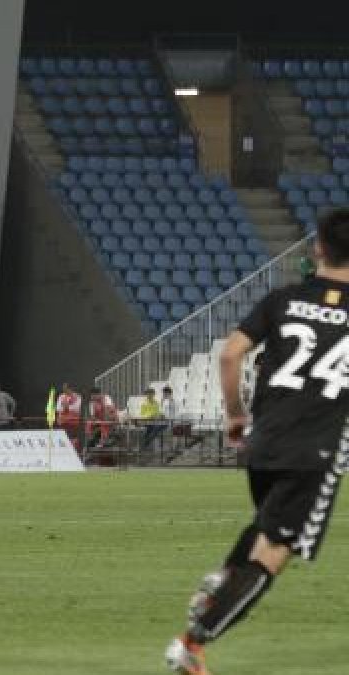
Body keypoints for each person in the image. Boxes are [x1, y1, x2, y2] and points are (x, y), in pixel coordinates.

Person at [165, 207, 349, 675]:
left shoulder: (283, 299)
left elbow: (230, 355)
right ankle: (194, 642)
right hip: (317, 449)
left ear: (318, 249)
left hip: (263, 443)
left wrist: (234, 415)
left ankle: (221, 580)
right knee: (275, 551)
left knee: (265, 527)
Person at [138, 388, 167, 452]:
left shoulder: (156, 402)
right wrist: (151, 415)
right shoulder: (143, 403)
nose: (150, 395)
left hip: (154, 421)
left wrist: (161, 415)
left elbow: (157, 412)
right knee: (154, 428)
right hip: (146, 421)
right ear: (146, 394)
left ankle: (146, 444)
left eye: (152, 394)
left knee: (164, 425)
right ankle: (146, 444)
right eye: (149, 394)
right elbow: (142, 414)